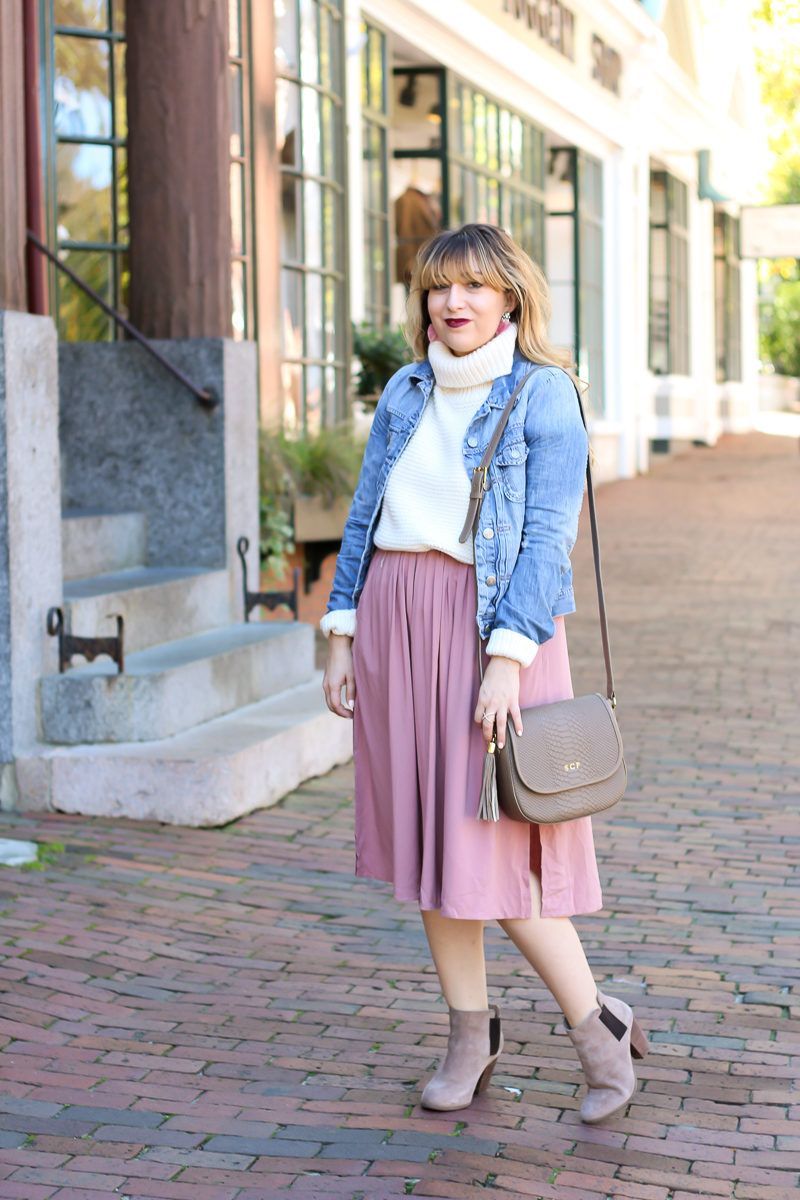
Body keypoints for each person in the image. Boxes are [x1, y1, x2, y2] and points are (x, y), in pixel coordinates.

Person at [321, 224, 647, 1123]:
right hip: (397, 621)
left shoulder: (546, 394)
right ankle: (470, 1034)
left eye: (470, 286)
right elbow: (365, 513)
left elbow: (547, 538)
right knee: (434, 850)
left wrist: (509, 657)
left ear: (510, 297)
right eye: (437, 288)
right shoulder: (405, 387)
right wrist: (341, 630)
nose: (451, 304)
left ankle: (597, 1029)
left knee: (499, 856)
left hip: (492, 633)